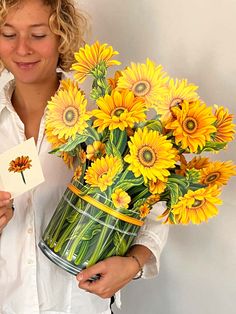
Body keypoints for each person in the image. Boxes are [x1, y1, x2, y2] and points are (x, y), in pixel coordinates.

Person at [0, 0, 169, 313]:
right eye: (8, 34)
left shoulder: (106, 122)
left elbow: (156, 202)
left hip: (80, 305)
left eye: (38, 35)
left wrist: (135, 263)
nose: (22, 48)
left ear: (62, 37)